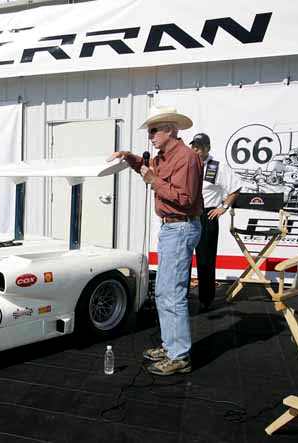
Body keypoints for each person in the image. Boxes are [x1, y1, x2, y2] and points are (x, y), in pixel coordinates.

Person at [108, 106, 203, 376]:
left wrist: (153, 181)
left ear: (170, 129)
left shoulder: (186, 158)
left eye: (153, 131)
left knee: (172, 293)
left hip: (180, 227)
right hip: (174, 228)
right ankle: (172, 346)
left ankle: (179, 356)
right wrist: (129, 158)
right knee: (164, 292)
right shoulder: (165, 156)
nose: (150, 136)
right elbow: (149, 168)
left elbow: (185, 199)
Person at [189, 133, 242, 313]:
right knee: (184, 259)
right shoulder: (188, 164)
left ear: (207, 148)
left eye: (199, 147)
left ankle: (206, 299)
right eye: (193, 146)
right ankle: (183, 296)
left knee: (205, 260)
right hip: (188, 215)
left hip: (207, 215)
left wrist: (223, 207)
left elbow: (236, 187)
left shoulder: (217, 167)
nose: (195, 150)